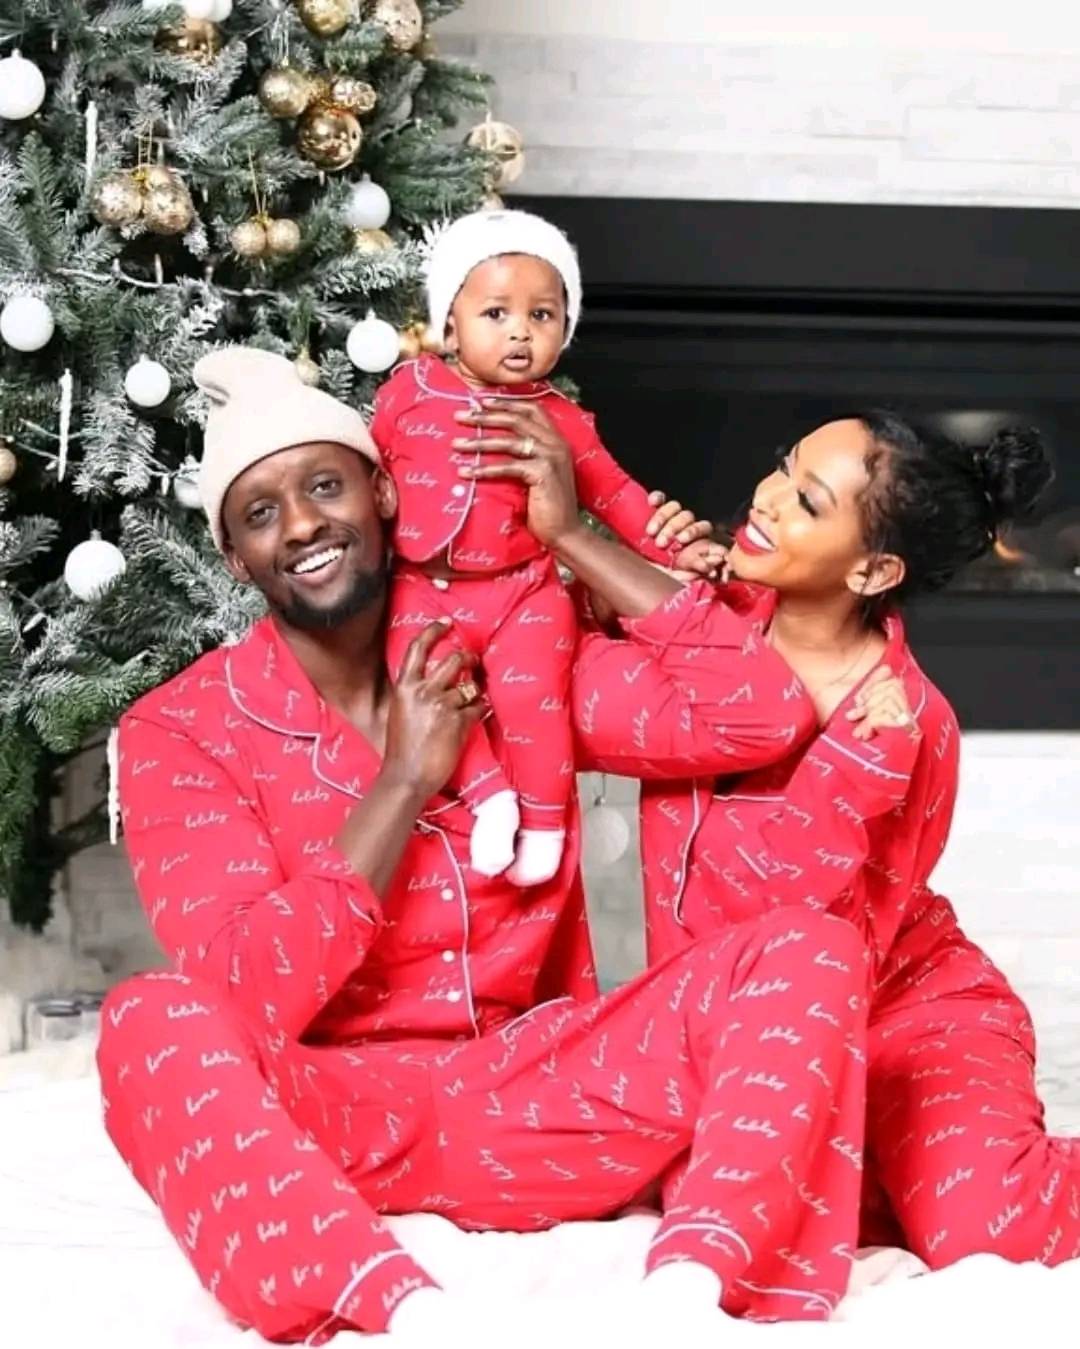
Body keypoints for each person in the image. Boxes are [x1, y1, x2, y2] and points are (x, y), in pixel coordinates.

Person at [98, 346, 871, 1346]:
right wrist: (405, 778)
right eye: (259, 513)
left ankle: (690, 1295)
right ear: (238, 558)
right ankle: (405, 1314)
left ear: (384, 493)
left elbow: (756, 714)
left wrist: (576, 537)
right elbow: (247, 991)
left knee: (809, 947)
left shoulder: (517, 652)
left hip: (541, 1096)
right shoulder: (181, 730)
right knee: (148, 1018)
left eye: (325, 486)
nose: (300, 525)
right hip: (331, 1124)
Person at [554, 408, 1078, 1271]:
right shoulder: (702, 614)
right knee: (673, 1183)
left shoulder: (908, 727)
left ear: (873, 569)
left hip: (904, 1011)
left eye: (807, 501)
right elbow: (569, 707)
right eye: (783, 465)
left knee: (981, 1223)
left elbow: (805, 918)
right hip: (738, 1022)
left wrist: (852, 771)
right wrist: (628, 589)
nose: (765, 498)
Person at [371, 208, 694, 888]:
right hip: (422, 584)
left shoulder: (559, 419)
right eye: (496, 313)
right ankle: (489, 796)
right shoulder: (408, 390)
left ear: (564, 330)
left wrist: (672, 545)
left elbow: (614, 493)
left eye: (542, 315)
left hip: (523, 591)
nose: (520, 330)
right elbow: (365, 464)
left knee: (536, 699)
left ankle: (545, 823)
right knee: (421, 679)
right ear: (450, 325)